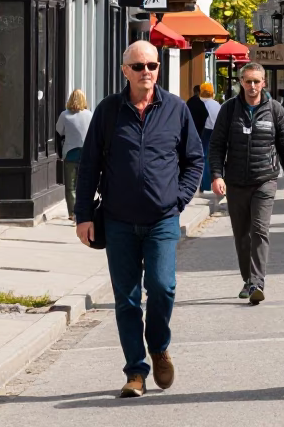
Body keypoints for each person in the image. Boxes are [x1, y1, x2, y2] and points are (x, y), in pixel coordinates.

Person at [75, 42, 203, 398]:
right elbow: (89, 167)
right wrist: (83, 215)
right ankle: (135, 371)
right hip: (117, 221)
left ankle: (159, 346)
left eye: (152, 64)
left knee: (163, 287)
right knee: (127, 299)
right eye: (139, 65)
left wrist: (178, 199)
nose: (146, 70)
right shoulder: (108, 111)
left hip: (162, 219)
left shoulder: (176, 109)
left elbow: (194, 160)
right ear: (125, 71)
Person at [209, 62, 284, 305]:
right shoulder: (229, 110)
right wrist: (217, 175)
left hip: (264, 180)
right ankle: (248, 281)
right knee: (242, 236)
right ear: (241, 82)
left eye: (256, 81)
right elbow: (216, 145)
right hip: (236, 182)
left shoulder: (276, 110)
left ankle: (257, 283)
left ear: (264, 82)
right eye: (248, 81)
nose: (252, 86)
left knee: (259, 231)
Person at [55, 89, 92, 222]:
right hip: (87, 155)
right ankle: (84, 211)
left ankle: (72, 213)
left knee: (70, 186)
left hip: (70, 154)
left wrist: (59, 153)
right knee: (84, 185)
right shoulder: (90, 115)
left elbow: (59, 133)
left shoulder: (64, 115)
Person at [199, 82, 221, 192]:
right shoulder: (217, 105)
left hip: (205, 132)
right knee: (213, 159)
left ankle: (205, 185)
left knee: (203, 158)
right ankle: (213, 182)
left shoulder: (199, 104)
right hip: (216, 132)